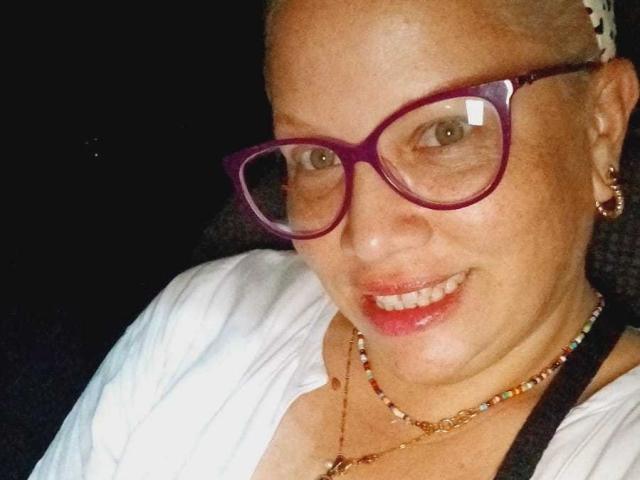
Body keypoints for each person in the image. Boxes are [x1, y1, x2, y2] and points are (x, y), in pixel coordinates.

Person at [30, 1, 639, 479]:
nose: (367, 239)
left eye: (446, 133)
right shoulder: (204, 323)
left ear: (601, 123)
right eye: (317, 157)